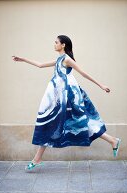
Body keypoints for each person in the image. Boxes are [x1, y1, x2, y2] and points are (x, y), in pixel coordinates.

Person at [12, 35, 121, 171]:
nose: (54, 44)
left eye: (56, 42)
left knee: (78, 123)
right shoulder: (59, 59)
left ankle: (113, 140)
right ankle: (112, 140)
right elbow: (40, 65)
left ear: (63, 45)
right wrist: (23, 59)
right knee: (52, 123)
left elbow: (83, 73)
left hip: (68, 97)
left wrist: (101, 85)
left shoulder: (67, 60)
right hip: (59, 98)